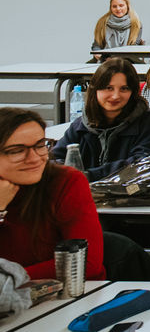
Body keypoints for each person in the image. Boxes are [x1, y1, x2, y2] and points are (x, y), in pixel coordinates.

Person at [0, 108, 107, 280]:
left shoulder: (65, 182)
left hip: (68, 299)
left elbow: (86, 263)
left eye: (40, 145)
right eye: (17, 150)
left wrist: (8, 281)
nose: (35, 158)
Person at [53, 59, 150, 181]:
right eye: (108, 88)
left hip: (133, 196)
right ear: (95, 89)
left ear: (133, 92)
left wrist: (88, 175)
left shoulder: (148, 122)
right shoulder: (81, 125)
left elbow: (143, 166)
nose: (115, 96)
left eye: (124, 89)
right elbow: (54, 159)